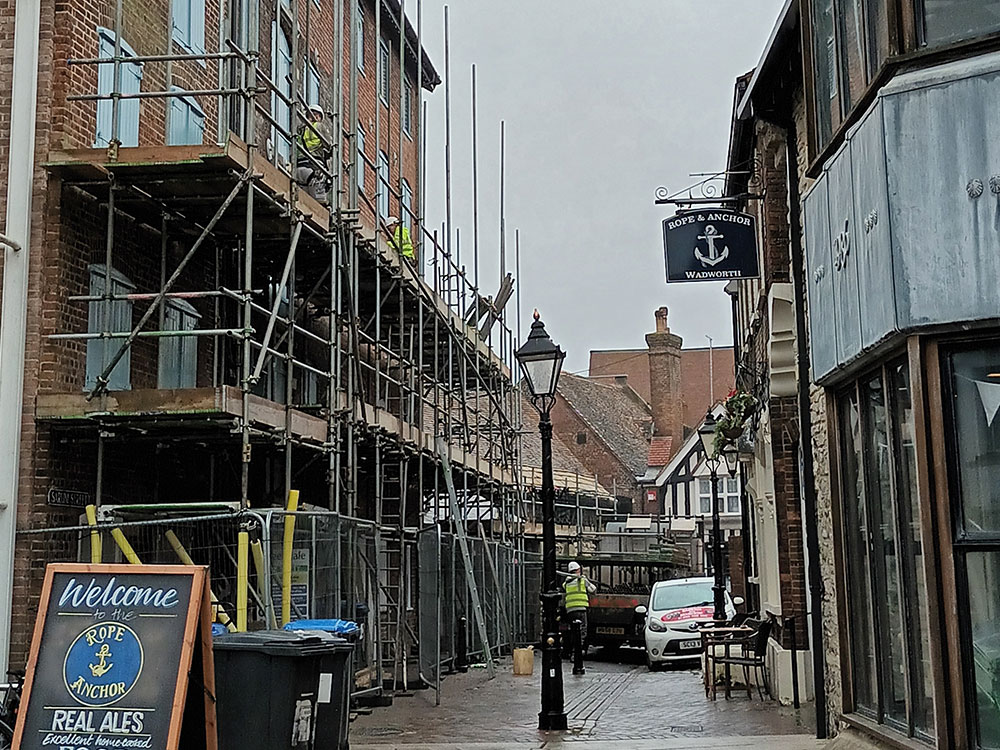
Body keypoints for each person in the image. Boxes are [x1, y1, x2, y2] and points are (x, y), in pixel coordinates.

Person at [563, 561, 596, 655]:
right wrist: (586, 580)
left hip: (570, 610)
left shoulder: (566, 583)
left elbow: (564, 588)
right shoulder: (582, 580)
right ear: (578, 570)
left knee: (573, 631)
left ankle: (572, 651)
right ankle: (577, 652)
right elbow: (593, 590)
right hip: (581, 608)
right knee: (582, 631)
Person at [294, 106, 327, 202]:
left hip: (299, 166)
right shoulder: (319, 126)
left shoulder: (300, 128)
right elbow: (328, 145)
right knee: (318, 201)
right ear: (318, 117)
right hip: (314, 165)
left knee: (301, 199)